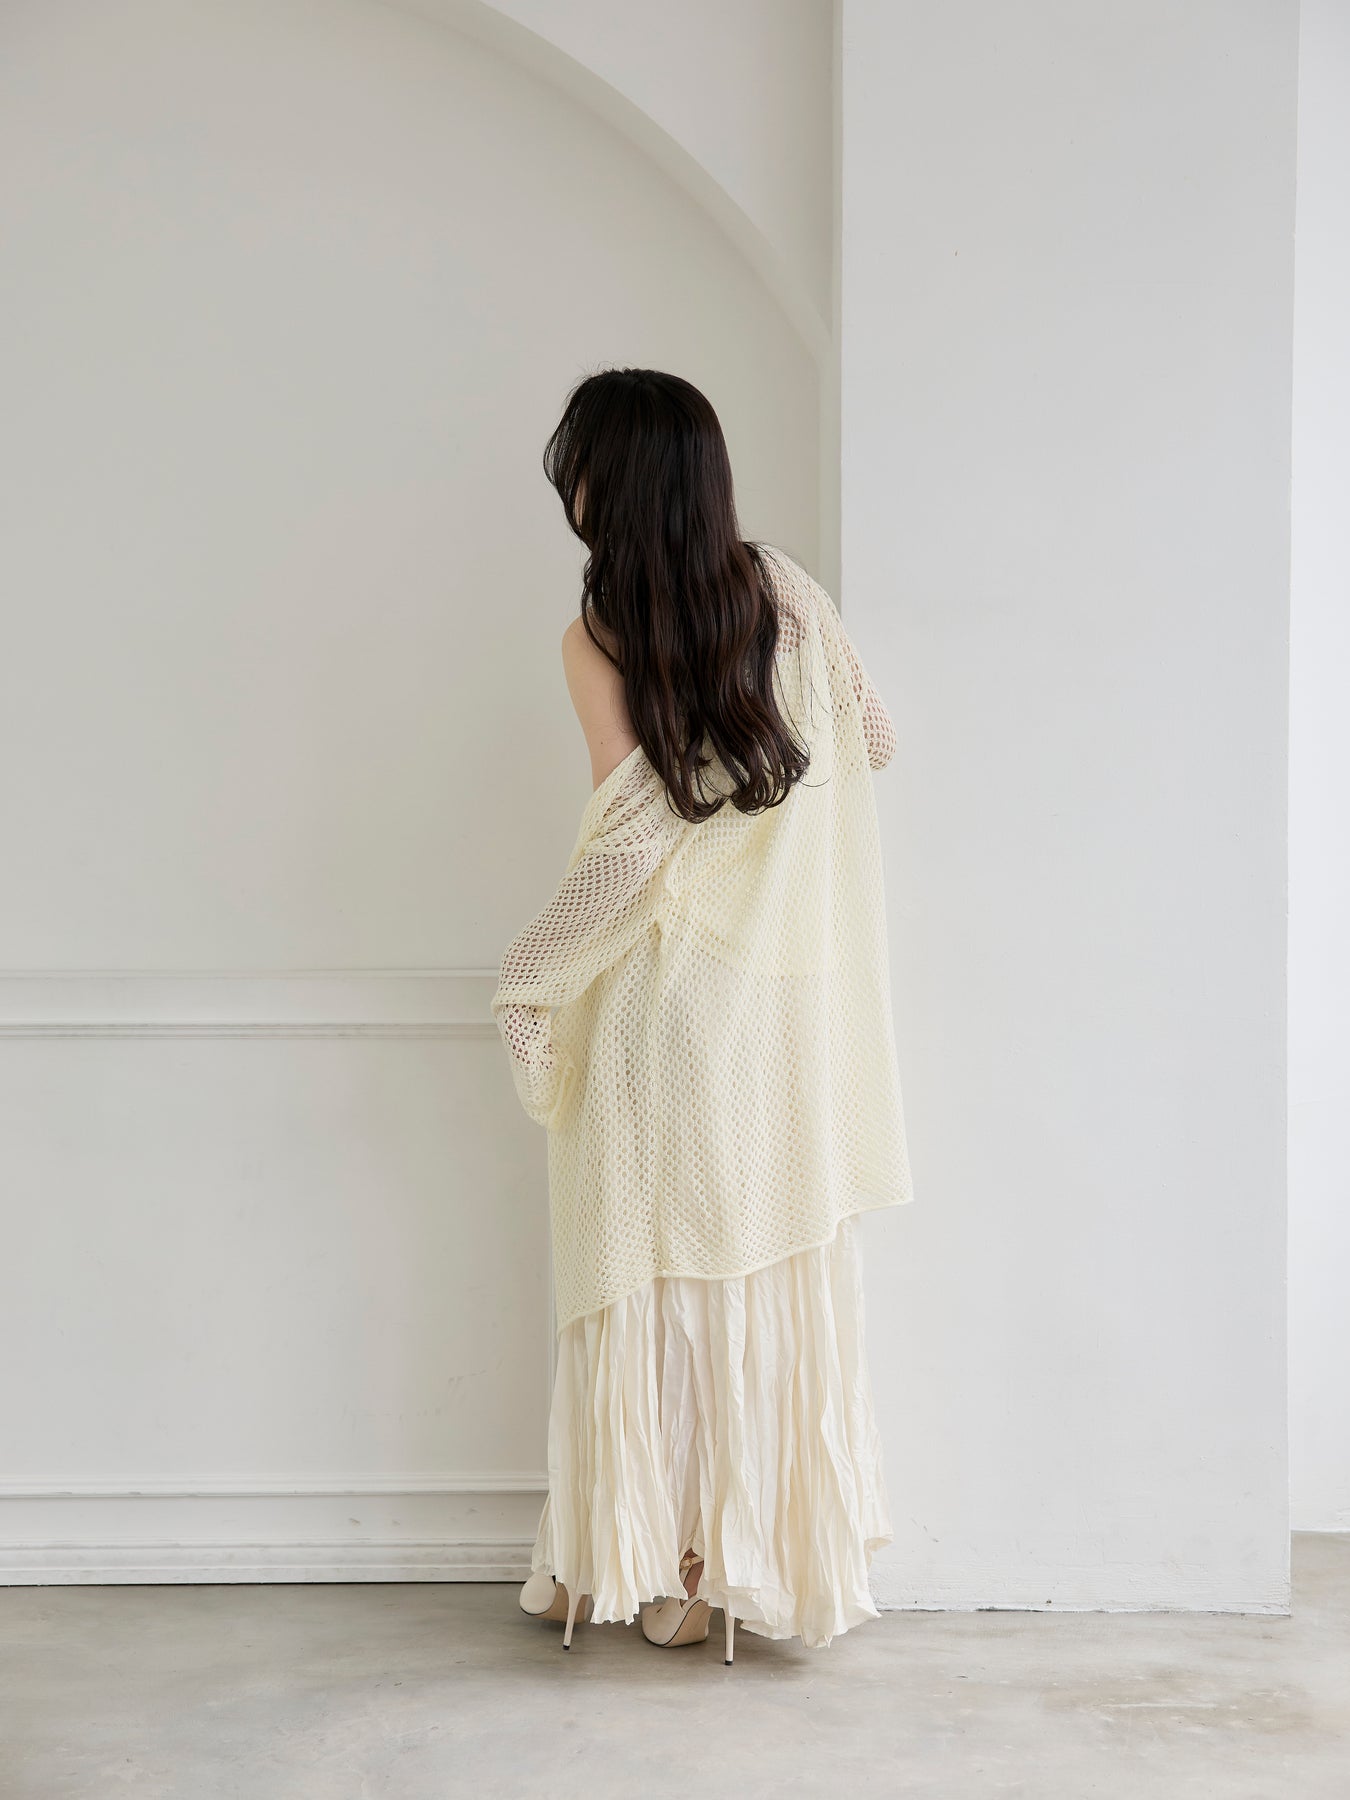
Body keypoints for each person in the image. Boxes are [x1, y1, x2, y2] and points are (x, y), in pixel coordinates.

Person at [491, 367, 914, 1662]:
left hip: (664, 1005)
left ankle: (647, 1558)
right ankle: (729, 1565)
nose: (567, 487)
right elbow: (874, 739)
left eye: (578, 465)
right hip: (783, 1010)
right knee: (759, 1276)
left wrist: (526, 973)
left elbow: (629, 845)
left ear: (608, 485)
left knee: (656, 1275)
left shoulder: (600, 631)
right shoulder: (788, 591)